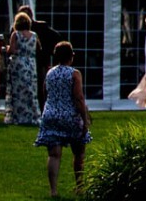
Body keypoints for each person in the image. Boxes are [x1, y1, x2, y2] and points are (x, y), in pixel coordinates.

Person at [35, 41, 93, 199]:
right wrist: (85, 118)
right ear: (71, 56)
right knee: (79, 152)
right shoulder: (75, 74)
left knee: (54, 155)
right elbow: (78, 98)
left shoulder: (49, 73)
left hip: (51, 114)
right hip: (70, 116)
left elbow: (44, 93)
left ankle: (53, 190)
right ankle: (80, 186)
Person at [5, 13, 41, 126]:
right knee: (31, 90)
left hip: (19, 64)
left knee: (18, 92)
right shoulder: (34, 35)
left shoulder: (16, 34)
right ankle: (33, 115)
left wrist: (5, 49)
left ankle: (18, 116)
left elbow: (12, 50)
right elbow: (38, 48)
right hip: (31, 64)